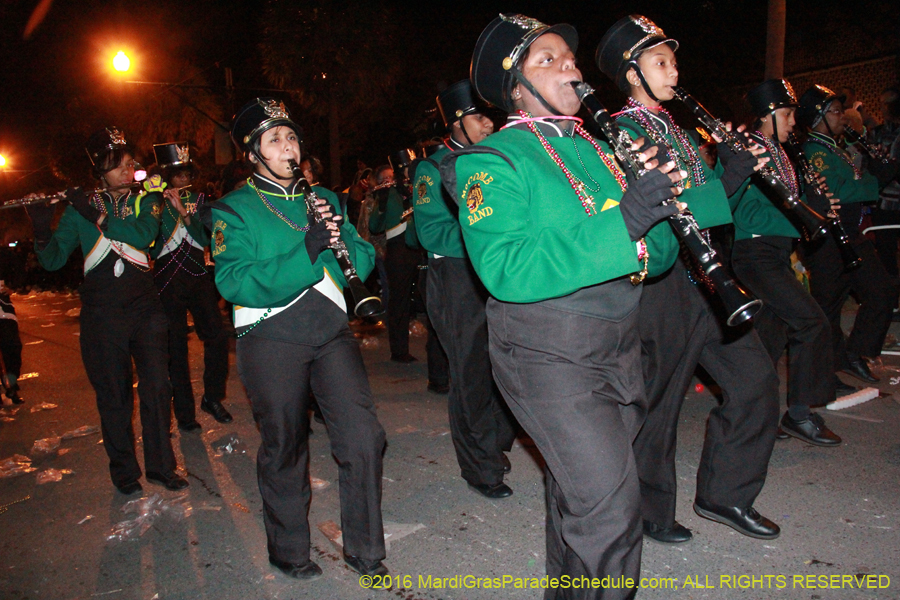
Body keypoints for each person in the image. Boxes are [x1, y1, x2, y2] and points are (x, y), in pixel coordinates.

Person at [443, 14, 683, 598]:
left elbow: (661, 253)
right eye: (546, 59)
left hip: (618, 342)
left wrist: (659, 207)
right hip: (545, 350)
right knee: (611, 510)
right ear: (515, 88)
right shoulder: (492, 160)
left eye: (569, 57)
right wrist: (625, 223)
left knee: (581, 496)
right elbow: (506, 268)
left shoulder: (603, 150)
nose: (569, 66)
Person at [597, 15, 781, 543]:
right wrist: (727, 178)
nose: (674, 71)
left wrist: (735, 173)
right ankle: (649, 511)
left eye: (674, 61)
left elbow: (711, 206)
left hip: (709, 273)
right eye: (661, 62)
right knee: (660, 402)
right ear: (632, 73)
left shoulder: (675, 128)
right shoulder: (621, 132)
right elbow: (664, 209)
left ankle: (726, 494)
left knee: (756, 382)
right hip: (666, 281)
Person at [202, 98, 387, 580]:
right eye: (275, 140)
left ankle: (366, 549)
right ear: (253, 154)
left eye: (291, 138)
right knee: (285, 445)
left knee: (364, 437)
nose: (288, 148)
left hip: (330, 330)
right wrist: (307, 248)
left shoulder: (324, 196)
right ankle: (288, 550)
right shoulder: (233, 209)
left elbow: (363, 257)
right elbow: (234, 281)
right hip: (271, 335)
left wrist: (342, 245)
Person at [25, 127, 187, 494]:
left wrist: (92, 214)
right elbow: (52, 261)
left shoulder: (147, 200)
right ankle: (125, 472)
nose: (129, 171)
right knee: (114, 395)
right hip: (102, 312)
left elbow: (143, 236)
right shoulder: (78, 209)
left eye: (131, 163)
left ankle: (161, 466)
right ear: (100, 169)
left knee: (157, 388)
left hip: (145, 307)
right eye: (120, 165)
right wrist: (41, 227)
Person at [412, 79, 517, 499]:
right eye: (479, 116)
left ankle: (496, 442)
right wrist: (486, 236)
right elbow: (431, 231)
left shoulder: (496, 159)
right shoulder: (432, 168)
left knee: (507, 365)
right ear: (456, 122)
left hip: (498, 273)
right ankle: (480, 466)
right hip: (456, 277)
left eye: (491, 115)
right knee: (470, 372)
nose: (489, 123)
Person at [729, 79, 843, 446]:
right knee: (811, 322)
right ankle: (799, 414)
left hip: (777, 252)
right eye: (788, 114)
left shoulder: (782, 152)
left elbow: (789, 201)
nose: (794, 121)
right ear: (766, 115)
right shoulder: (750, 150)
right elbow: (744, 213)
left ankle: (755, 416)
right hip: (755, 252)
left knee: (770, 337)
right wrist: (803, 215)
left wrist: (816, 204)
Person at [797, 85, 900, 385]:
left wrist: (876, 170)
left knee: (882, 291)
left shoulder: (835, 148)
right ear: (818, 118)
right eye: (836, 112)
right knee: (828, 307)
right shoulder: (814, 151)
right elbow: (837, 190)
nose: (842, 117)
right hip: (829, 237)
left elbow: (855, 179)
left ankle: (855, 352)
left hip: (850, 233)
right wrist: (875, 182)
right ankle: (826, 373)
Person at [150, 142, 232, 431]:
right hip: (167, 277)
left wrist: (184, 212)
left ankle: (212, 397)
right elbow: (149, 240)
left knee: (217, 336)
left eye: (187, 173)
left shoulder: (198, 199)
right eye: (178, 173)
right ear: (166, 175)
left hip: (197, 274)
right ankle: (184, 413)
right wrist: (156, 203)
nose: (184, 178)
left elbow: (207, 239)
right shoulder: (153, 201)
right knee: (175, 347)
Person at [368, 149, 423, 362]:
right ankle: (399, 350)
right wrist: (381, 205)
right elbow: (374, 227)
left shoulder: (419, 187)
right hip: (398, 249)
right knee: (399, 300)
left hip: (420, 247)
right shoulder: (388, 194)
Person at [0, 255, 24, 404]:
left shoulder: (3, 255)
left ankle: (12, 385)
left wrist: (12, 286)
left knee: (13, 347)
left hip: (4, 311)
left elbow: (18, 267)